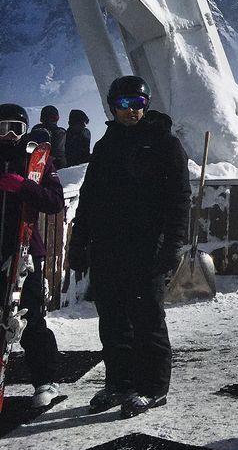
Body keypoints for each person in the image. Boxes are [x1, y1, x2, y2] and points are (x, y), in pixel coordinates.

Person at [64, 76, 190, 419]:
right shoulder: (105, 146)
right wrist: (79, 242)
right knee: (113, 320)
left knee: (147, 319)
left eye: (138, 104)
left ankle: (152, 388)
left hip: (147, 247)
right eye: (123, 105)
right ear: (112, 107)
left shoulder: (164, 143)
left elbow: (179, 200)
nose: (131, 111)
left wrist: (170, 246)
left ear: (146, 105)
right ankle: (119, 383)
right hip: (107, 247)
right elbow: (89, 199)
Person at [0, 103, 65, 408]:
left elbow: (54, 202)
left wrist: (25, 186)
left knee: (30, 318)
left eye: (17, 127)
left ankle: (45, 380)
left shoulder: (33, 161)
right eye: (2, 128)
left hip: (24, 251)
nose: (10, 135)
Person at [33, 105, 67, 171]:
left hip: (36, 167)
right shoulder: (61, 133)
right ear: (57, 118)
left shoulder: (35, 130)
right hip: (57, 168)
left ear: (41, 118)